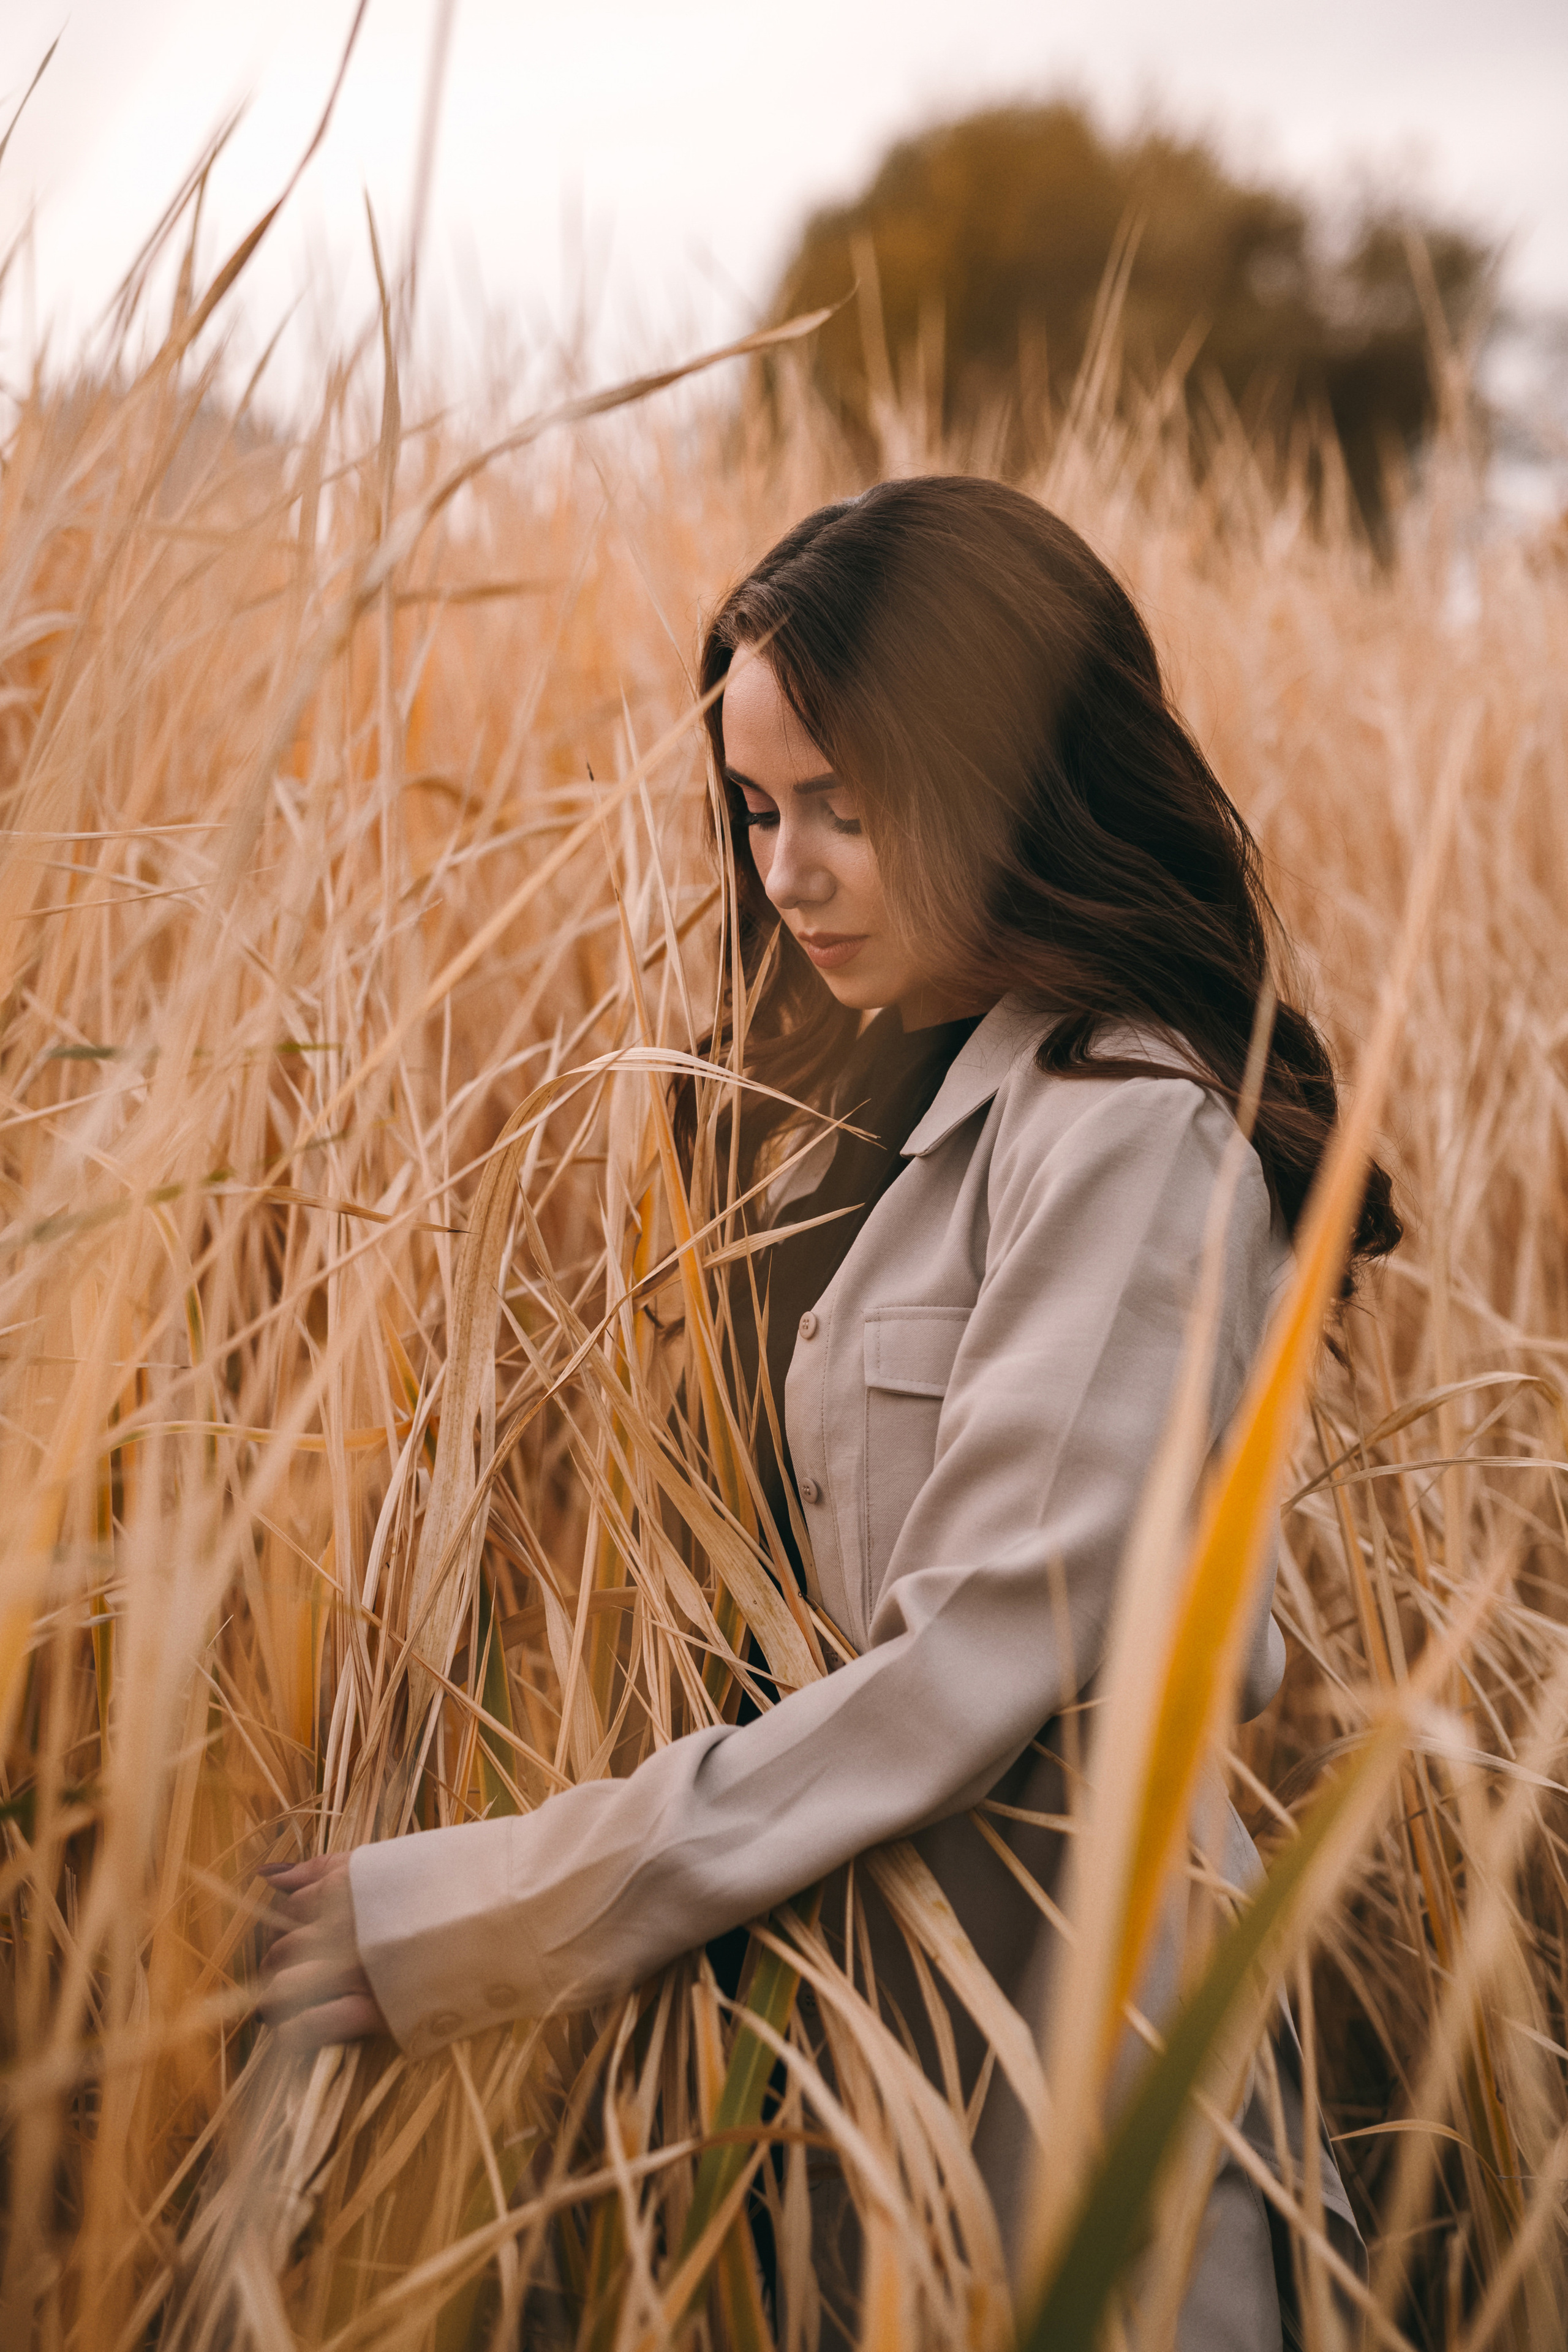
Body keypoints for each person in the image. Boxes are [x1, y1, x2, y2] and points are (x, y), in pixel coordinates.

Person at [260, 477, 1397, 2345]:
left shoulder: (1132, 1129)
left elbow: (963, 1676)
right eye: (759, 810)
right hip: (875, 2094)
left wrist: (475, 1919)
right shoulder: (921, 1112)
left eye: (850, 812)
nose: (788, 874)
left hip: (1070, 2103)